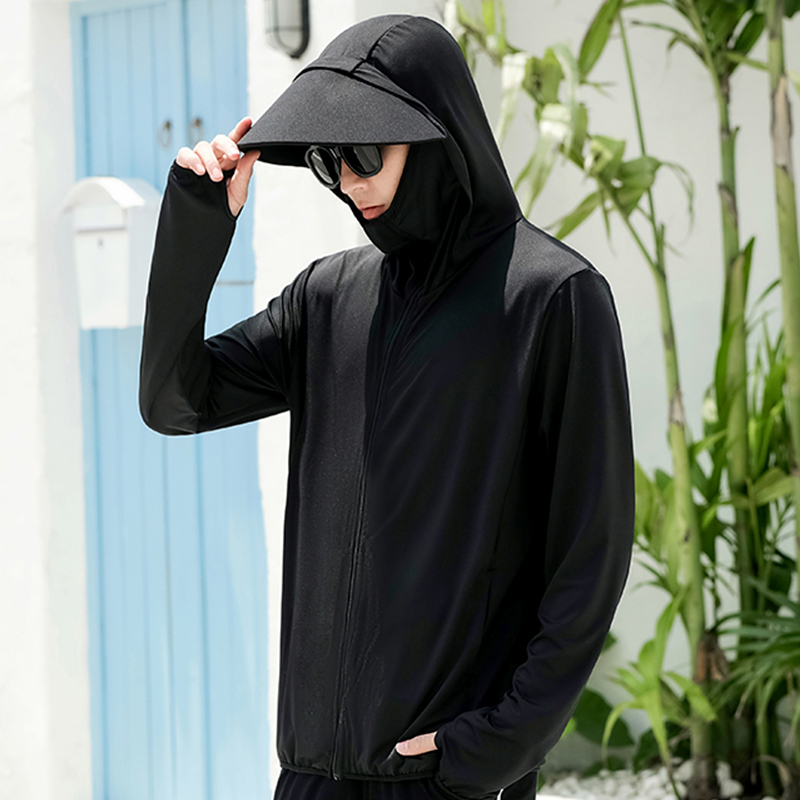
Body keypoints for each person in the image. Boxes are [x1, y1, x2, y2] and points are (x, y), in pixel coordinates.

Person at [139, 13, 635, 800]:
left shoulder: (552, 299)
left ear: (439, 139)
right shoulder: (328, 298)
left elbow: (590, 556)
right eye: (329, 162)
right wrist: (196, 230)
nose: (349, 182)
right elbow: (174, 399)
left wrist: (496, 748)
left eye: (365, 154)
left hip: (444, 777)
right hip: (310, 778)